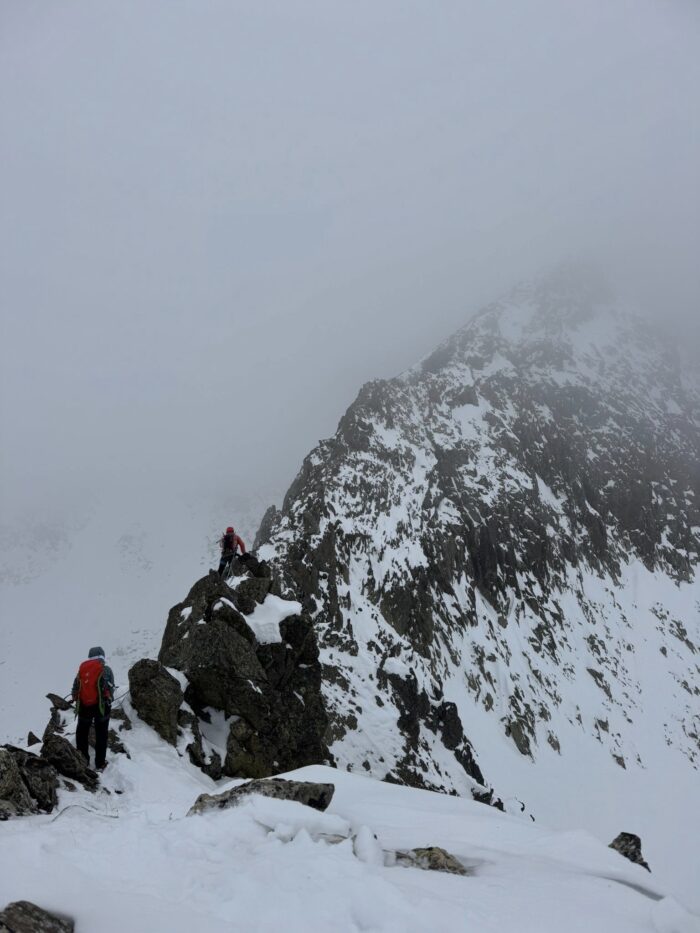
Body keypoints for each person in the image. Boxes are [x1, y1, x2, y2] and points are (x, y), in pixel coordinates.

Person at [71, 646, 115, 772]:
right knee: (102, 734)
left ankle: (83, 761)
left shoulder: (82, 670)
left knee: (82, 733)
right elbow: (111, 688)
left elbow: (75, 689)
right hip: (102, 707)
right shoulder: (106, 669)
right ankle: (100, 763)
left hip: (85, 707)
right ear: (102, 656)